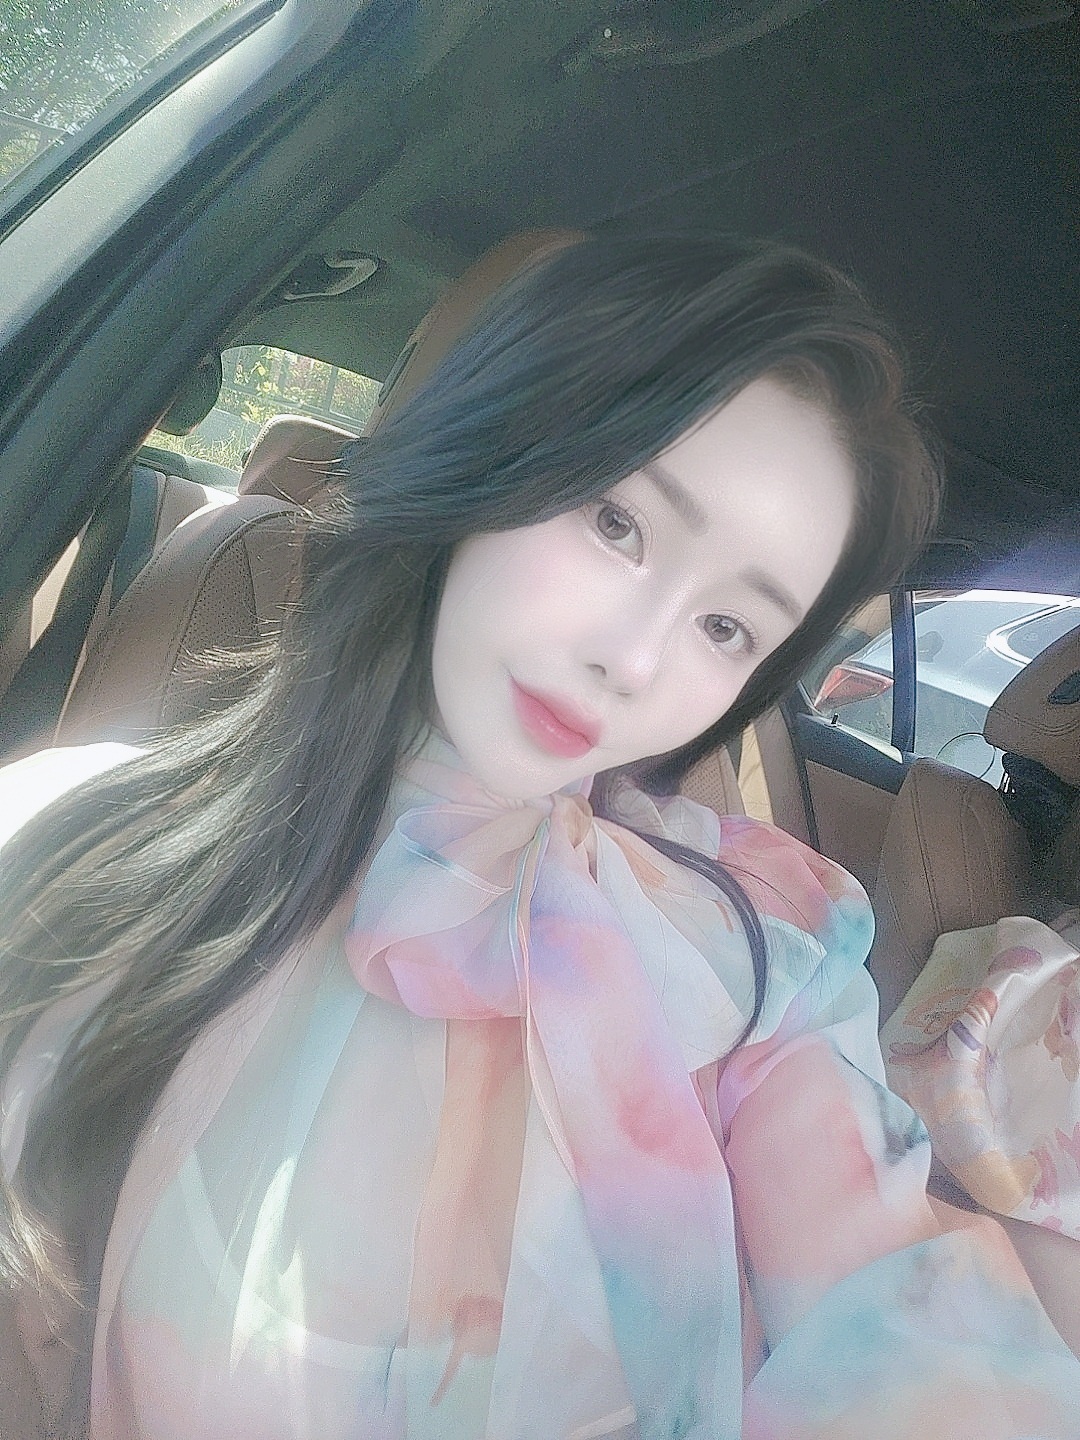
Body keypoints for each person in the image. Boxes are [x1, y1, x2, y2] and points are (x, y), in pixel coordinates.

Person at [0, 232, 1077, 1440]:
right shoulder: (64, 848)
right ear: (498, 443)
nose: (635, 657)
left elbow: (906, 1322)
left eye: (727, 628)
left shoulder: (751, 953)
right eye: (617, 522)